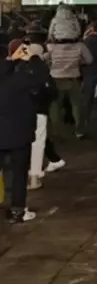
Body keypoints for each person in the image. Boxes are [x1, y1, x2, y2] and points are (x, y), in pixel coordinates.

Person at [0, 42, 40, 223]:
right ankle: (17, 211)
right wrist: (31, 59)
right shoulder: (22, 78)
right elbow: (43, 84)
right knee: (18, 174)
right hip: (19, 133)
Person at [21, 43, 57, 191]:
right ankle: (34, 177)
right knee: (38, 143)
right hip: (40, 111)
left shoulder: (20, 69)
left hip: (22, 112)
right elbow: (53, 93)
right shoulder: (44, 69)